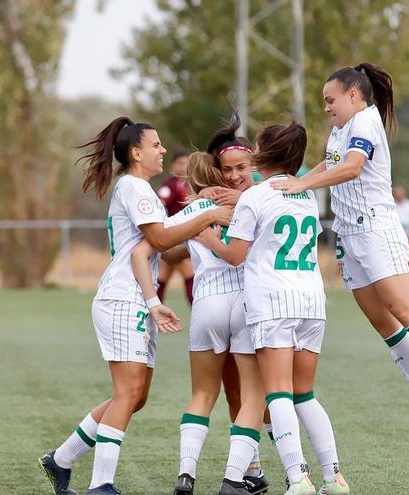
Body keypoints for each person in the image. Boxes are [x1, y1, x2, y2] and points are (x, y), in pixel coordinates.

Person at [270, 63, 409, 448]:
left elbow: (352, 168)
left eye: (330, 100)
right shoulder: (341, 129)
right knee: (385, 325)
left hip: (375, 230)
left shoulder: (366, 122)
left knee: (405, 310)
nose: (326, 108)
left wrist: (302, 183)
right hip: (350, 237)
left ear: (353, 95)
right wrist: (299, 181)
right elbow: (333, 164)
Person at [38, 117, 231, 495]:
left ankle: (60, 460)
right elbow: (159, 239)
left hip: (132, 300)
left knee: (135, 396)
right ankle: (101, 485)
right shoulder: (136, 188)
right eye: (156, 145)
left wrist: (199, 226)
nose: (162, 150)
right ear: (136, 152)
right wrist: (205, 215)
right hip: (123, 299)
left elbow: (168, 246)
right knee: (128, 393)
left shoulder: (137, 188)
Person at [201, 121, 350, 495]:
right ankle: (334, 478)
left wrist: (206, 236)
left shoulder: (255, 196)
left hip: (273, 301)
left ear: (263, 155)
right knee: (305, 393)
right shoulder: (306, 195)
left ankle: (298, 477)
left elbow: (236, 255)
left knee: (279, 392)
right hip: (312, 300)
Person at [131, 151, 270, 495]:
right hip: (243, 303)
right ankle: (237, 477)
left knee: (202, 394)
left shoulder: (190, 214)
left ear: (189, 182)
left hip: (205, 305)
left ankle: (186, 476)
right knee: (253, 395)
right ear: (222, 176)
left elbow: (162, 249)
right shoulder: (245, 205)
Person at [156, 148, 196, 304]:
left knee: (163, 276)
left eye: (187, 163)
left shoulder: (187, 184)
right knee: (188, 270)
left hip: (180, 235)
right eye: (180, 163)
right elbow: (160, 202)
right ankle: (197, 310)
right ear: (173, 166)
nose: (184, 167)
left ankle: (151, 314)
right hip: (175, 237)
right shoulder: (171, 184)